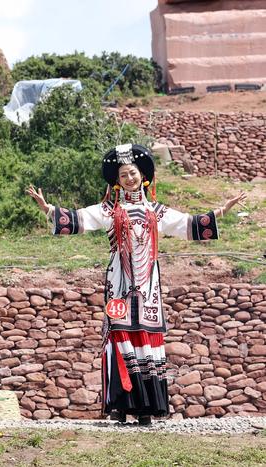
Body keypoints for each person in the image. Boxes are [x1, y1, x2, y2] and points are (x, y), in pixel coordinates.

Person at [27, 143, 245, 426]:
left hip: (148, 285)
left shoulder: (156, 211)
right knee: (119, 335)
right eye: (123, 175)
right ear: (116, 182)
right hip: (118, 282)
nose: (128, 178)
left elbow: (188, 225)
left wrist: (221, 211)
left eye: (132, 173)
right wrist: (48, 209)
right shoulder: (110, 209)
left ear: (142, 176)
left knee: (146, 334)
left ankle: (146, 407)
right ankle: (119, 405)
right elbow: (81, 218)